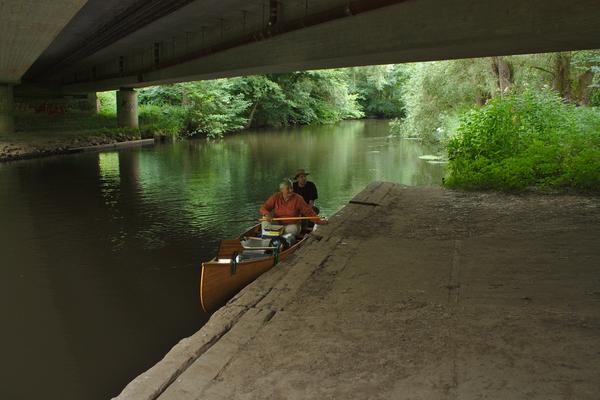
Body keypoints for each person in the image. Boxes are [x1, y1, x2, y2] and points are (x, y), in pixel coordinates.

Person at [260, 180, 326, 237]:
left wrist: (319, 221)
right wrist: (267, 214)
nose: (291, 190)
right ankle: (274, 235)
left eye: (291, 188)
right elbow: (263, 207)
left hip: (291, 226)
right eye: (288, 188)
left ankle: (274, 235)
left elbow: (308, 212)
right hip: (278, 225)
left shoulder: (298, 198)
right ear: (281, 190)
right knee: (264, 220)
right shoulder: (275, 197)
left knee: (293, 229)